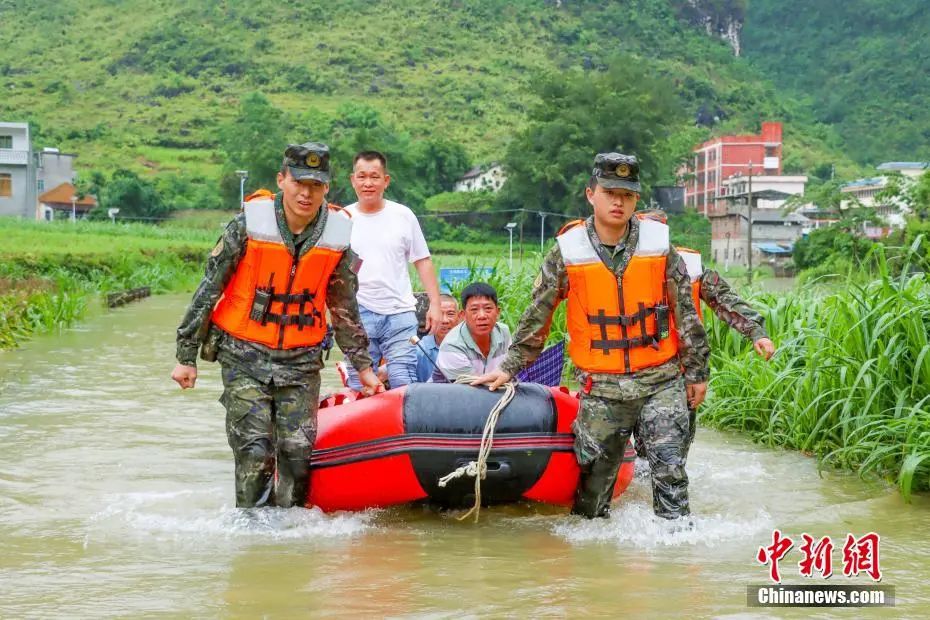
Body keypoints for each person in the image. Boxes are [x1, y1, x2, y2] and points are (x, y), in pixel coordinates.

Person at [473, 153, 709, 522]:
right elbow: (539, 312)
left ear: (636, 200)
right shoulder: (568, 251)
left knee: (670, 471)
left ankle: (675, 545)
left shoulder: (659, 245)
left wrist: (696, 372)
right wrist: (509, 367)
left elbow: (685, 310)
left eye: (627, 195)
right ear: (591, 194)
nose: (618, 202)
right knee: (593, 491)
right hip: (602, 387)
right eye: (610, 193)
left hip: (660, 380)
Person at [171, 142, 382, 509]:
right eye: (299, 182)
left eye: (316, 185)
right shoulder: (248, 224)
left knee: (297, 454)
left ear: (327, 188)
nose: (306, 193)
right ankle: (251, 528)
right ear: (281, 180)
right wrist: (185, 356)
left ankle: (288, 532)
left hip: (301, 360)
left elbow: (343, 307)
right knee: (254, 451)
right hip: (243, 354)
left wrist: (363, 367)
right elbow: (209, 288)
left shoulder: (337, 235)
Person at [343, 150, 442, 391]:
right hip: (358, 312)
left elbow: (422, 260)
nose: (368, 183)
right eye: (362, 176)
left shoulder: (403, 215)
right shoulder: (341, 218)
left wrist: (435, 304)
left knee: (402, 378)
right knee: (359, 383)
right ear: (353, 180)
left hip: (399, 312)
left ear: (385, 181)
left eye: (374, 176)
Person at [434, 282, 512, 382]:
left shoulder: (503, 332)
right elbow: (472, 388)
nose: (482, 316)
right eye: (474, 310)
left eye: (488, 308)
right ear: (463, 315)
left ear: (498, 312)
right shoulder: (451, 346)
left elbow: (509, 370)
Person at [414, 293, 460, 382]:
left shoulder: (468, 346)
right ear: (430, 317)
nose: (445, 320)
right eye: (439, 314)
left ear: (459, 317)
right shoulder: (420, 350)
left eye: (450, 314)